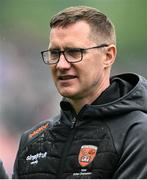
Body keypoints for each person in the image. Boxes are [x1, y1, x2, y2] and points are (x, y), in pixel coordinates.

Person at [12, 6, 147, 179]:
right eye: (54, 53)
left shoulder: (137, 134)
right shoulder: (32, 140)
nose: (61, 64)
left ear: (108, 56)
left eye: (74, 52)